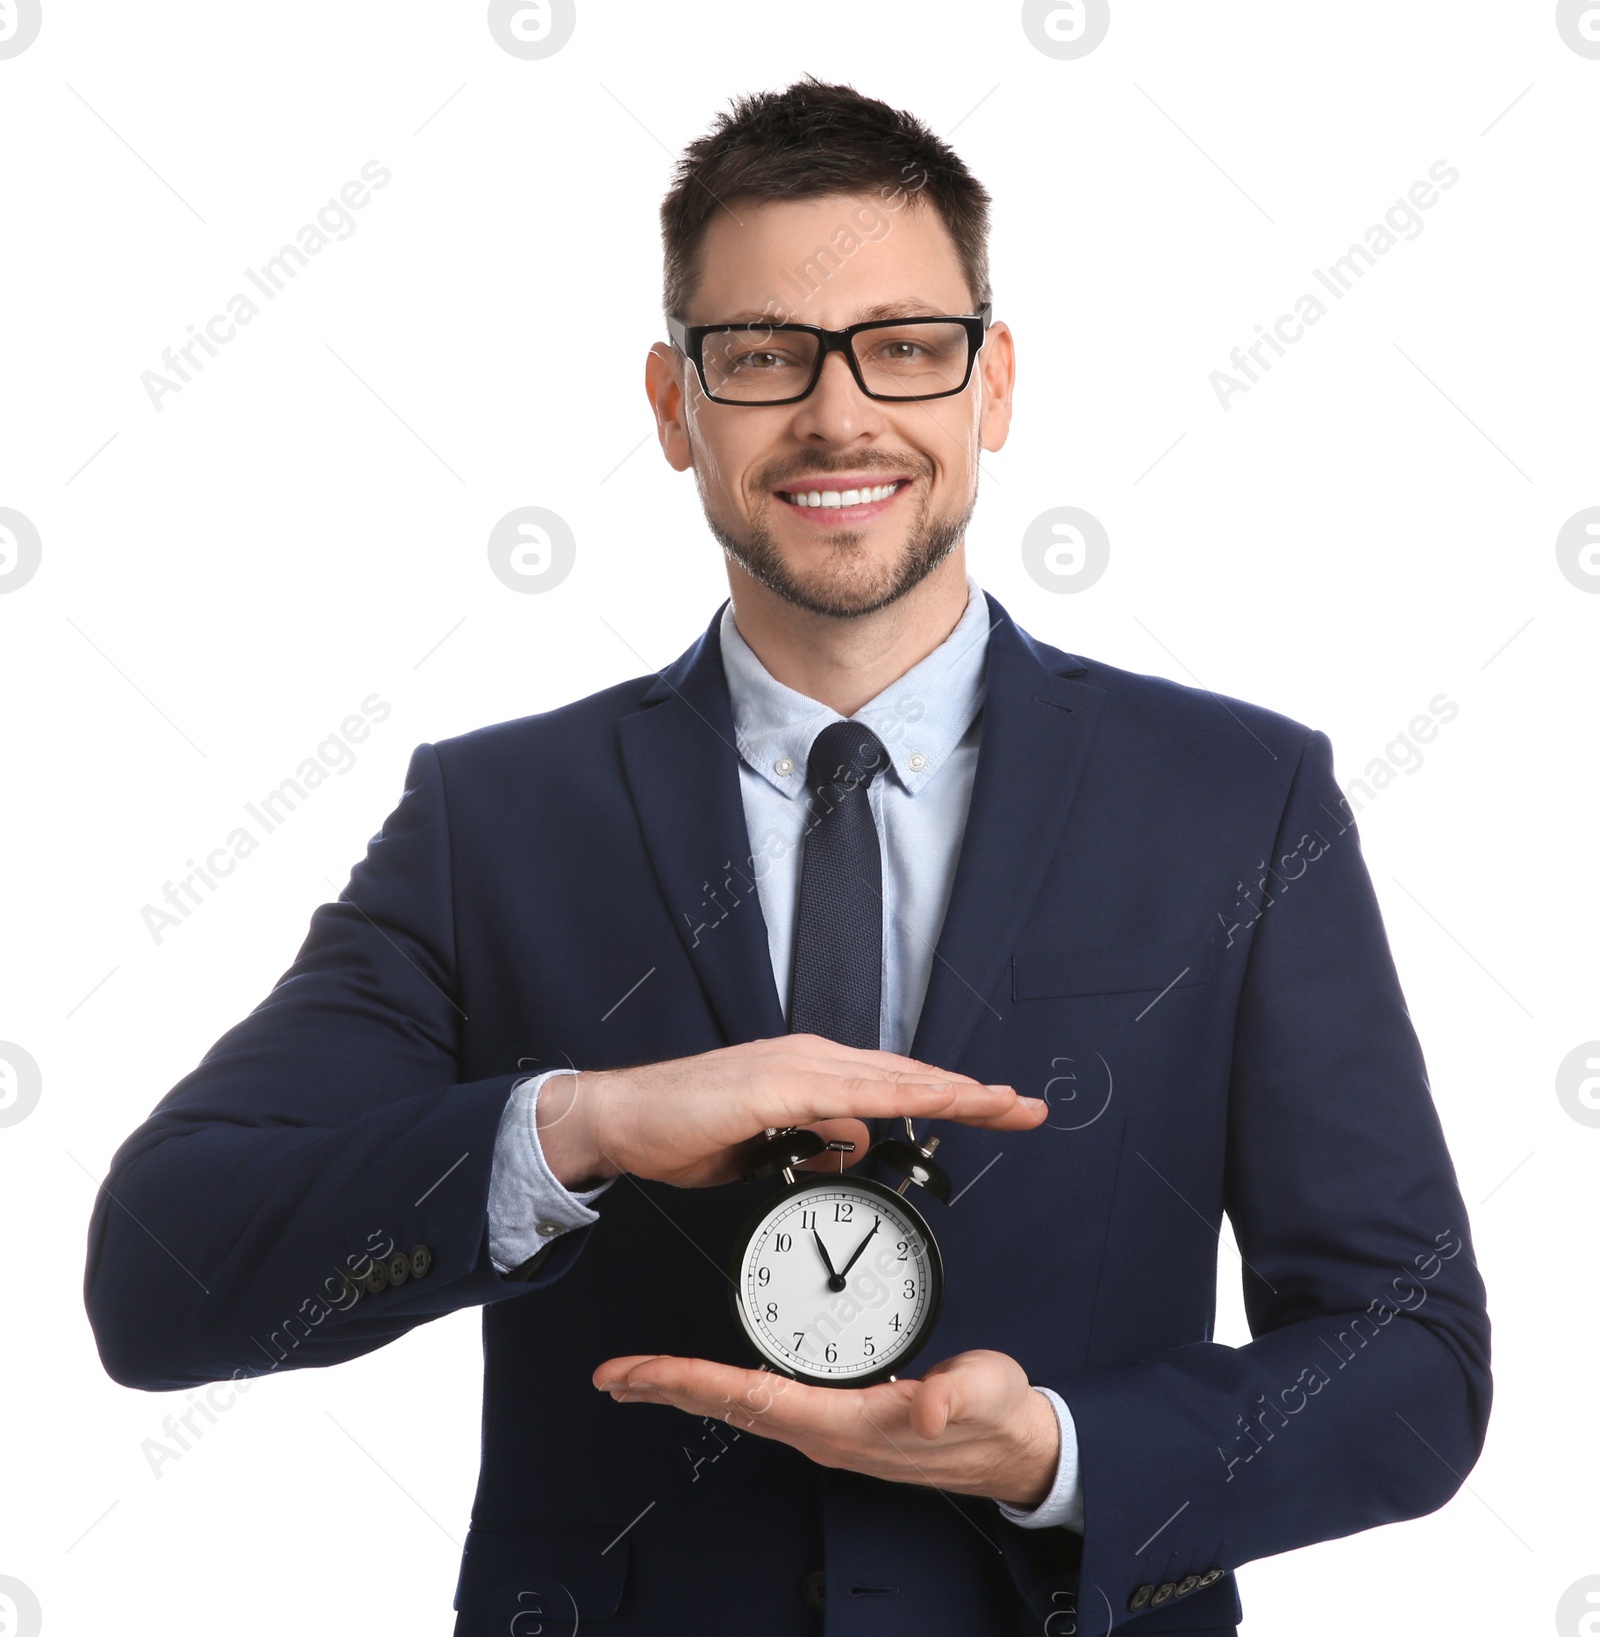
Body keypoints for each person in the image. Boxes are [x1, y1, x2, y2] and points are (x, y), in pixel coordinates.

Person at [84, 77, 1491, 1636]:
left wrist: (1063, 1453)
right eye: (763, 356)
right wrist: (581, 1125)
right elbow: (159, 1277)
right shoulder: (495, 822)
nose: (839, 414)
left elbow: (1413, 1359)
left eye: (904, 346)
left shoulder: (1237, 798)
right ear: (676, 404)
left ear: (993, 384)